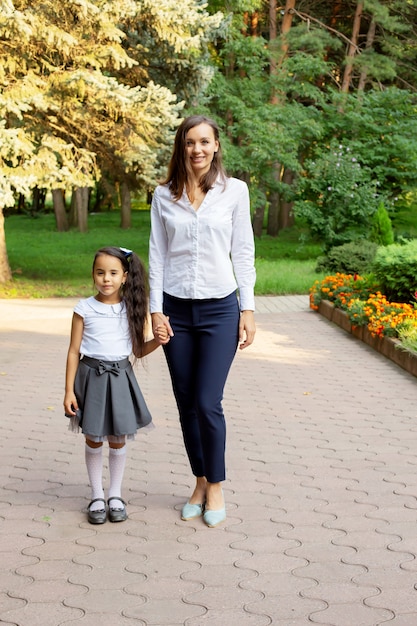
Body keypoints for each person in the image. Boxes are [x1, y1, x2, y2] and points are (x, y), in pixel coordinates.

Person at [149, 115, 256, 528]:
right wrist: (156, 312)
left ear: (216, 146)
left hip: (219, 309)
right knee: (185, 404)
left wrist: (248, 309)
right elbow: (157, 255)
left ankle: (216, 486)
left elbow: (243, 253)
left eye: (205, 142)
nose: (197, 150)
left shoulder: (235, 192)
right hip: (175, 311)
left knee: (208, 402)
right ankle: (199, 480)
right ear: (182, 146)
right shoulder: (164, 195)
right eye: (190, 142)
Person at [64, 246, 167, 524]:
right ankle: (97, 495)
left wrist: (158, 341)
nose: (106, 279)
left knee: (118, 438)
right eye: (100, 273)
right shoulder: (84, 308)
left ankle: (115, 494)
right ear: (93, 275)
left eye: (112, 273)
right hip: (90, 379)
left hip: (121, 378)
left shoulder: (131, 309)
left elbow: (137, 351)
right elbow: (74, 351)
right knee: (94, 437)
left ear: (124, 277)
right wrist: (68, 391)